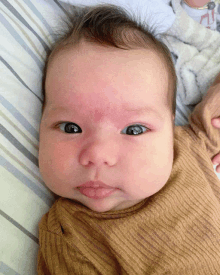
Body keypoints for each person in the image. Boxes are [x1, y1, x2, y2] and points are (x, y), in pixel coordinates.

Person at [37, 4, 220, 274]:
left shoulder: (188, 145)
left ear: (169, 130)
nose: (97, 154)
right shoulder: (68, 235)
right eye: (70, 127)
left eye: (134, 130)